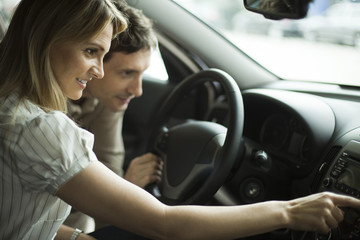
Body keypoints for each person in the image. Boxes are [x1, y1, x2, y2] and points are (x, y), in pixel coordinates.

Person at [1, 0, 360, 240]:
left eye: (103, 54)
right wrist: (288, 210)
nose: (97, 70)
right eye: (91, 52)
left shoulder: (12, 108)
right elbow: (164, 223)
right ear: (44, 41)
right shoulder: (41, 129)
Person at [64, 3, 162, 232]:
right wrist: (122, 191)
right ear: (92, 56)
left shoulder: (108, 99)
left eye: (142, 73)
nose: (137, 91)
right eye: (127, 73)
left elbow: (108, 166)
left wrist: (122, 188)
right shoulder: (42, 111)